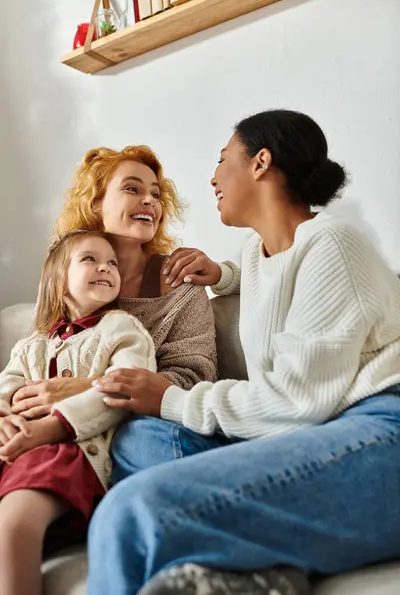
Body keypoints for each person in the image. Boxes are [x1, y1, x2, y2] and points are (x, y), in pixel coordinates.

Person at [86, 110, 400, 595]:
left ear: (260, 162)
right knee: (139, 439)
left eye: (222, 159)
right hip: (311, 430)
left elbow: (298, 402)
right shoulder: (259, 252)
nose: (212, 177)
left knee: (130, 513)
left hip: (379, 429)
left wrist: (170, 397)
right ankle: (265, 570)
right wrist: (222, 275)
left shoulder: (335, 243)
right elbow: (277, 275)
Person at [10, 146, 218, 482]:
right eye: (132, 188)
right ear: (95, 203)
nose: (150, 200)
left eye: (155, 194)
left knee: (138, 439)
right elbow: (31, 362)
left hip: (147, 428)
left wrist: (88, 389)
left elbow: (193, 382)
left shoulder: (181, 284)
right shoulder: (65, 280)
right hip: (60, 436)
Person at [0, 230, 156, 595]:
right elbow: (4, 388)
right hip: (16, 450)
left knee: (15, 524)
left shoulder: (122, 328)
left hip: (70, 454)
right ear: (58, 279)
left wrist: (51, 428)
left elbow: (126, 388)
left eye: (112, 263)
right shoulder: (31, 344)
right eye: (91, 259)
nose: (106, 267)